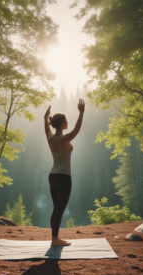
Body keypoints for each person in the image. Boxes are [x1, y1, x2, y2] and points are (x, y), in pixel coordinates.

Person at [44, 99, 85, 246]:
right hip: (63, 177)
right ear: (61, 124)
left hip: (52, 176)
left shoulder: (51, 139)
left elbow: (47, 130)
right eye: (66, 121)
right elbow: (76, 129)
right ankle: (55, 240)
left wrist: (44, 118)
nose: (67, 123)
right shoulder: (64, 139)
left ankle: (54, 238)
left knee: (56, 209)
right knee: (60, 209)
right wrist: (81, 113)